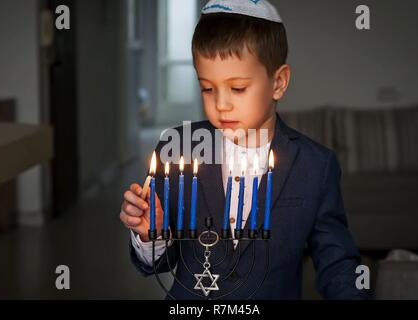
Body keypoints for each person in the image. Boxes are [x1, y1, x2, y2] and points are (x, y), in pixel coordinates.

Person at [120, 0, 370, 300]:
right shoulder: (178, 149)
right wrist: (152, 235)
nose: (221, 104)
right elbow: (160, 263)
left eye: (237, 88)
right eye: (207, 88)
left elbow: (337, 263)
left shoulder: (315, 166)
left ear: (278, 82)